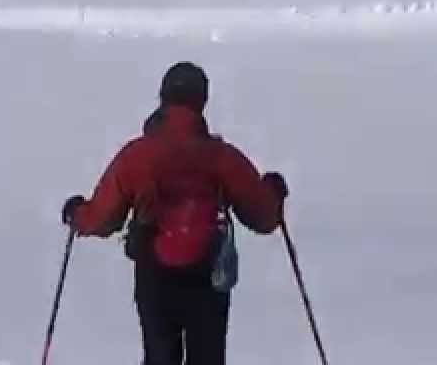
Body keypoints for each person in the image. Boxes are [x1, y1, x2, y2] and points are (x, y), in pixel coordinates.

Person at [61, 61, 289, 365]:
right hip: (207, 275)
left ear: (163, 99)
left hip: (154, 274)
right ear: (202, 102)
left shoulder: (137, 156)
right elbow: (263, 216)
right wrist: (273, 192)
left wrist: (78, 214)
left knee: (159, 357)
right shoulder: (220, 156)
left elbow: (104, 217)